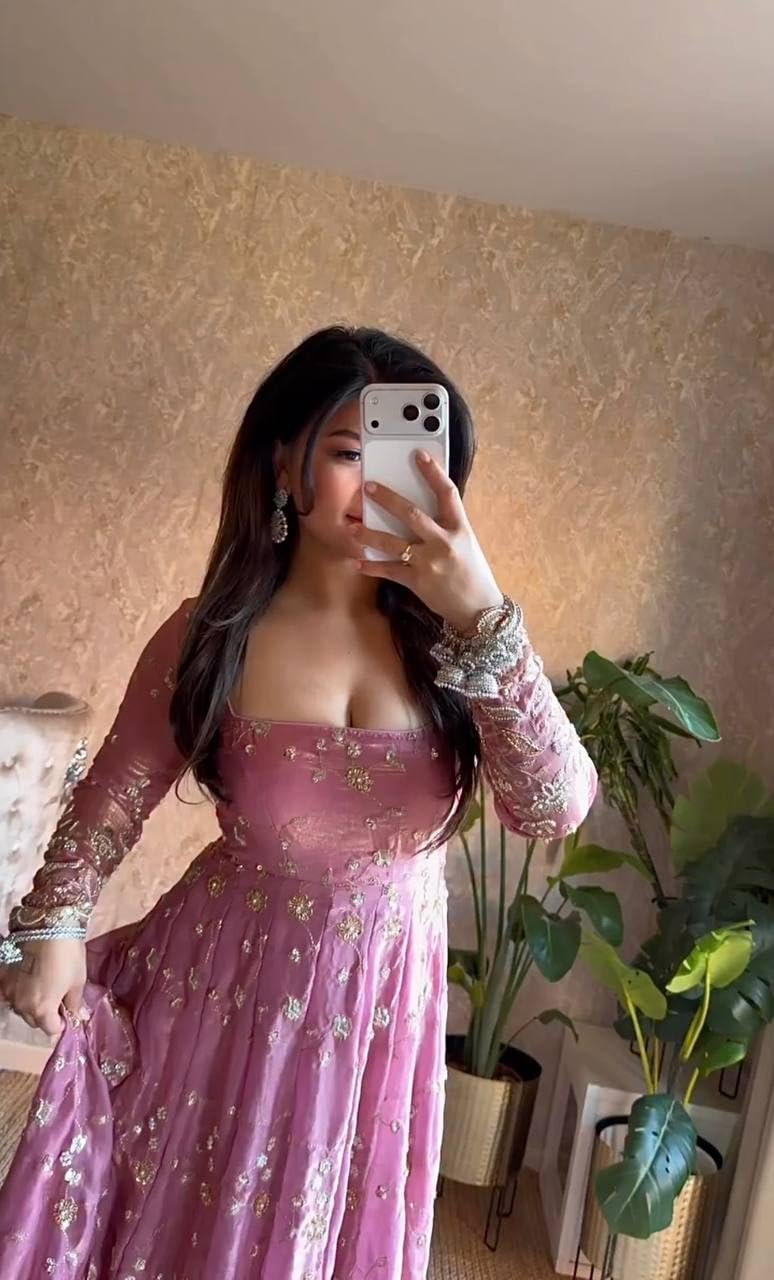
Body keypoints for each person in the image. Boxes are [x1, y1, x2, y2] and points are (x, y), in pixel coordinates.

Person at [0, 325, 598, 1278]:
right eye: (350, 452)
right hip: (225, 990)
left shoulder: (462, 644)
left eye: (409, 456)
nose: (380, 484)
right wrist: (52, 928)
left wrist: (482, 609)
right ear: (283, 464)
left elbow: (555, 808)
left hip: (382, 1012)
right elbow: (113, 797)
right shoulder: (213, 634)